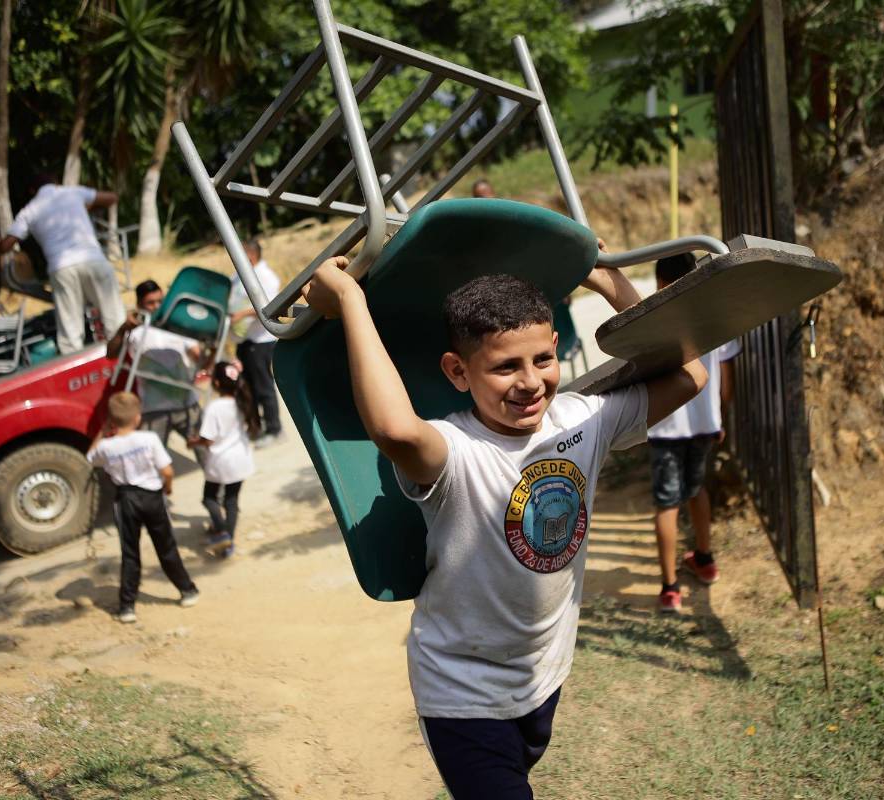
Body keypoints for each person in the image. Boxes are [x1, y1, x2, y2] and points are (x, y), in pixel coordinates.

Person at [298, 249, 707, 799]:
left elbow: (689, 373)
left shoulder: (585, 418)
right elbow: (394, 429)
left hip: (544, 676)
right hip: (461, 691)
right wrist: (350, 300)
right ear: (458, 372)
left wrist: (610, 282)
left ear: (557, 349)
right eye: (505, 367)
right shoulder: (456, 450)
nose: (530, 382)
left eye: (541, 360)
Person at [646, 253, 740, 613]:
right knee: (696, 488)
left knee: (666, 502)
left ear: (661, 284)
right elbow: (726, 380)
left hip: (665, 427)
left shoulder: (656, 321)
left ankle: (670, 587)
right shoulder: (717, 319)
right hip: (704, 425)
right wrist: (719, 418)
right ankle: (705, 557)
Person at [87, 391, 200, 624]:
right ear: (137, 417)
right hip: (152, 497)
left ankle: (127, 607)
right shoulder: (148, 439)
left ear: (111, 419)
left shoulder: (107, 446)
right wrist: (167, 488)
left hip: (126, 499)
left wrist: (103, 429)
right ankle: (187, 590)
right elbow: (167, 470)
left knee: (130, 553)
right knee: (166, 546)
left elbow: (90, 457)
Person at [0, 174, 126, 354]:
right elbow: (112, 198)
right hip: (93, 259)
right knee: (115, 317)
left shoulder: (29, 210)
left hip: (62, 267)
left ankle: (75, 369)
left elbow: (7, 244)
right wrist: (86, 207)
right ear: (55, 182)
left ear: (32, 191)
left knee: (70, 329)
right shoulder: (73, 192)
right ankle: (125, 352)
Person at [106, 279, 207, 450]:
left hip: (187, 404)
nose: (156, 306)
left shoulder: (179, 326)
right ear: (139, 304)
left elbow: (199, 357)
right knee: (152, 464)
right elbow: (111, 354)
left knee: (207, 454)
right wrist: (124, 328)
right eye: (150, 303)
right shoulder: (134, 331)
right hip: (153, 410)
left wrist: (208, 351)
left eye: (160, 301)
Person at [187, 361, 260, 558]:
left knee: (209, 498)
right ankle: (229, 542)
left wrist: (193, 442)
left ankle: (222, 531)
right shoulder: (243, 400)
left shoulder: (215, 407)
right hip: (241, 459)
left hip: (221, 461)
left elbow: (208, 439)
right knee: (231, 500)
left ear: (216, 383)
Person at [228, 238, 284, 447]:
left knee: (263, 386)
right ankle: (255, 427)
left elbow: (269, 306)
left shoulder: (266, 277)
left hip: (261, 340)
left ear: (250, 256)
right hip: (243, 339)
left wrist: (241, 314)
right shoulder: (238, 276)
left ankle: (274, 429)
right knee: (247, 386)